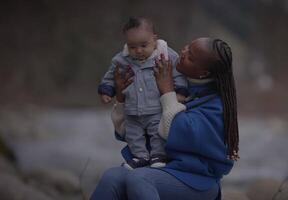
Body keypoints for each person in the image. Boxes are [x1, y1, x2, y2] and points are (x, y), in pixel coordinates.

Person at [91, 37, 239, 200]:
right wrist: (121, 97)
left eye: (191, 57)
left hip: (197, 180)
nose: (183, 53)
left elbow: (175, 132)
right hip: (160, 166)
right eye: (187, 47)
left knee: (139, 178)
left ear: (204, 73)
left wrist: (167, 91)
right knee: (112, 177)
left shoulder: (216, 105)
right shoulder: (173, 82)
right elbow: (133, 130)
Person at [98, 17, 187, 169]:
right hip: (131, 110)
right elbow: (110, 76)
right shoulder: (121, 59)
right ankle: (140, 156)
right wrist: (107, 90)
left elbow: (177, 73)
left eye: (143, 45)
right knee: (133, 135)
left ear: (154, 39)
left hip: (156, 109)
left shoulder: (166, 55)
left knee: (157, 133)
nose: (138, 51)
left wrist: (180, 91)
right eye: (132, 47)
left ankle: (158, 155)